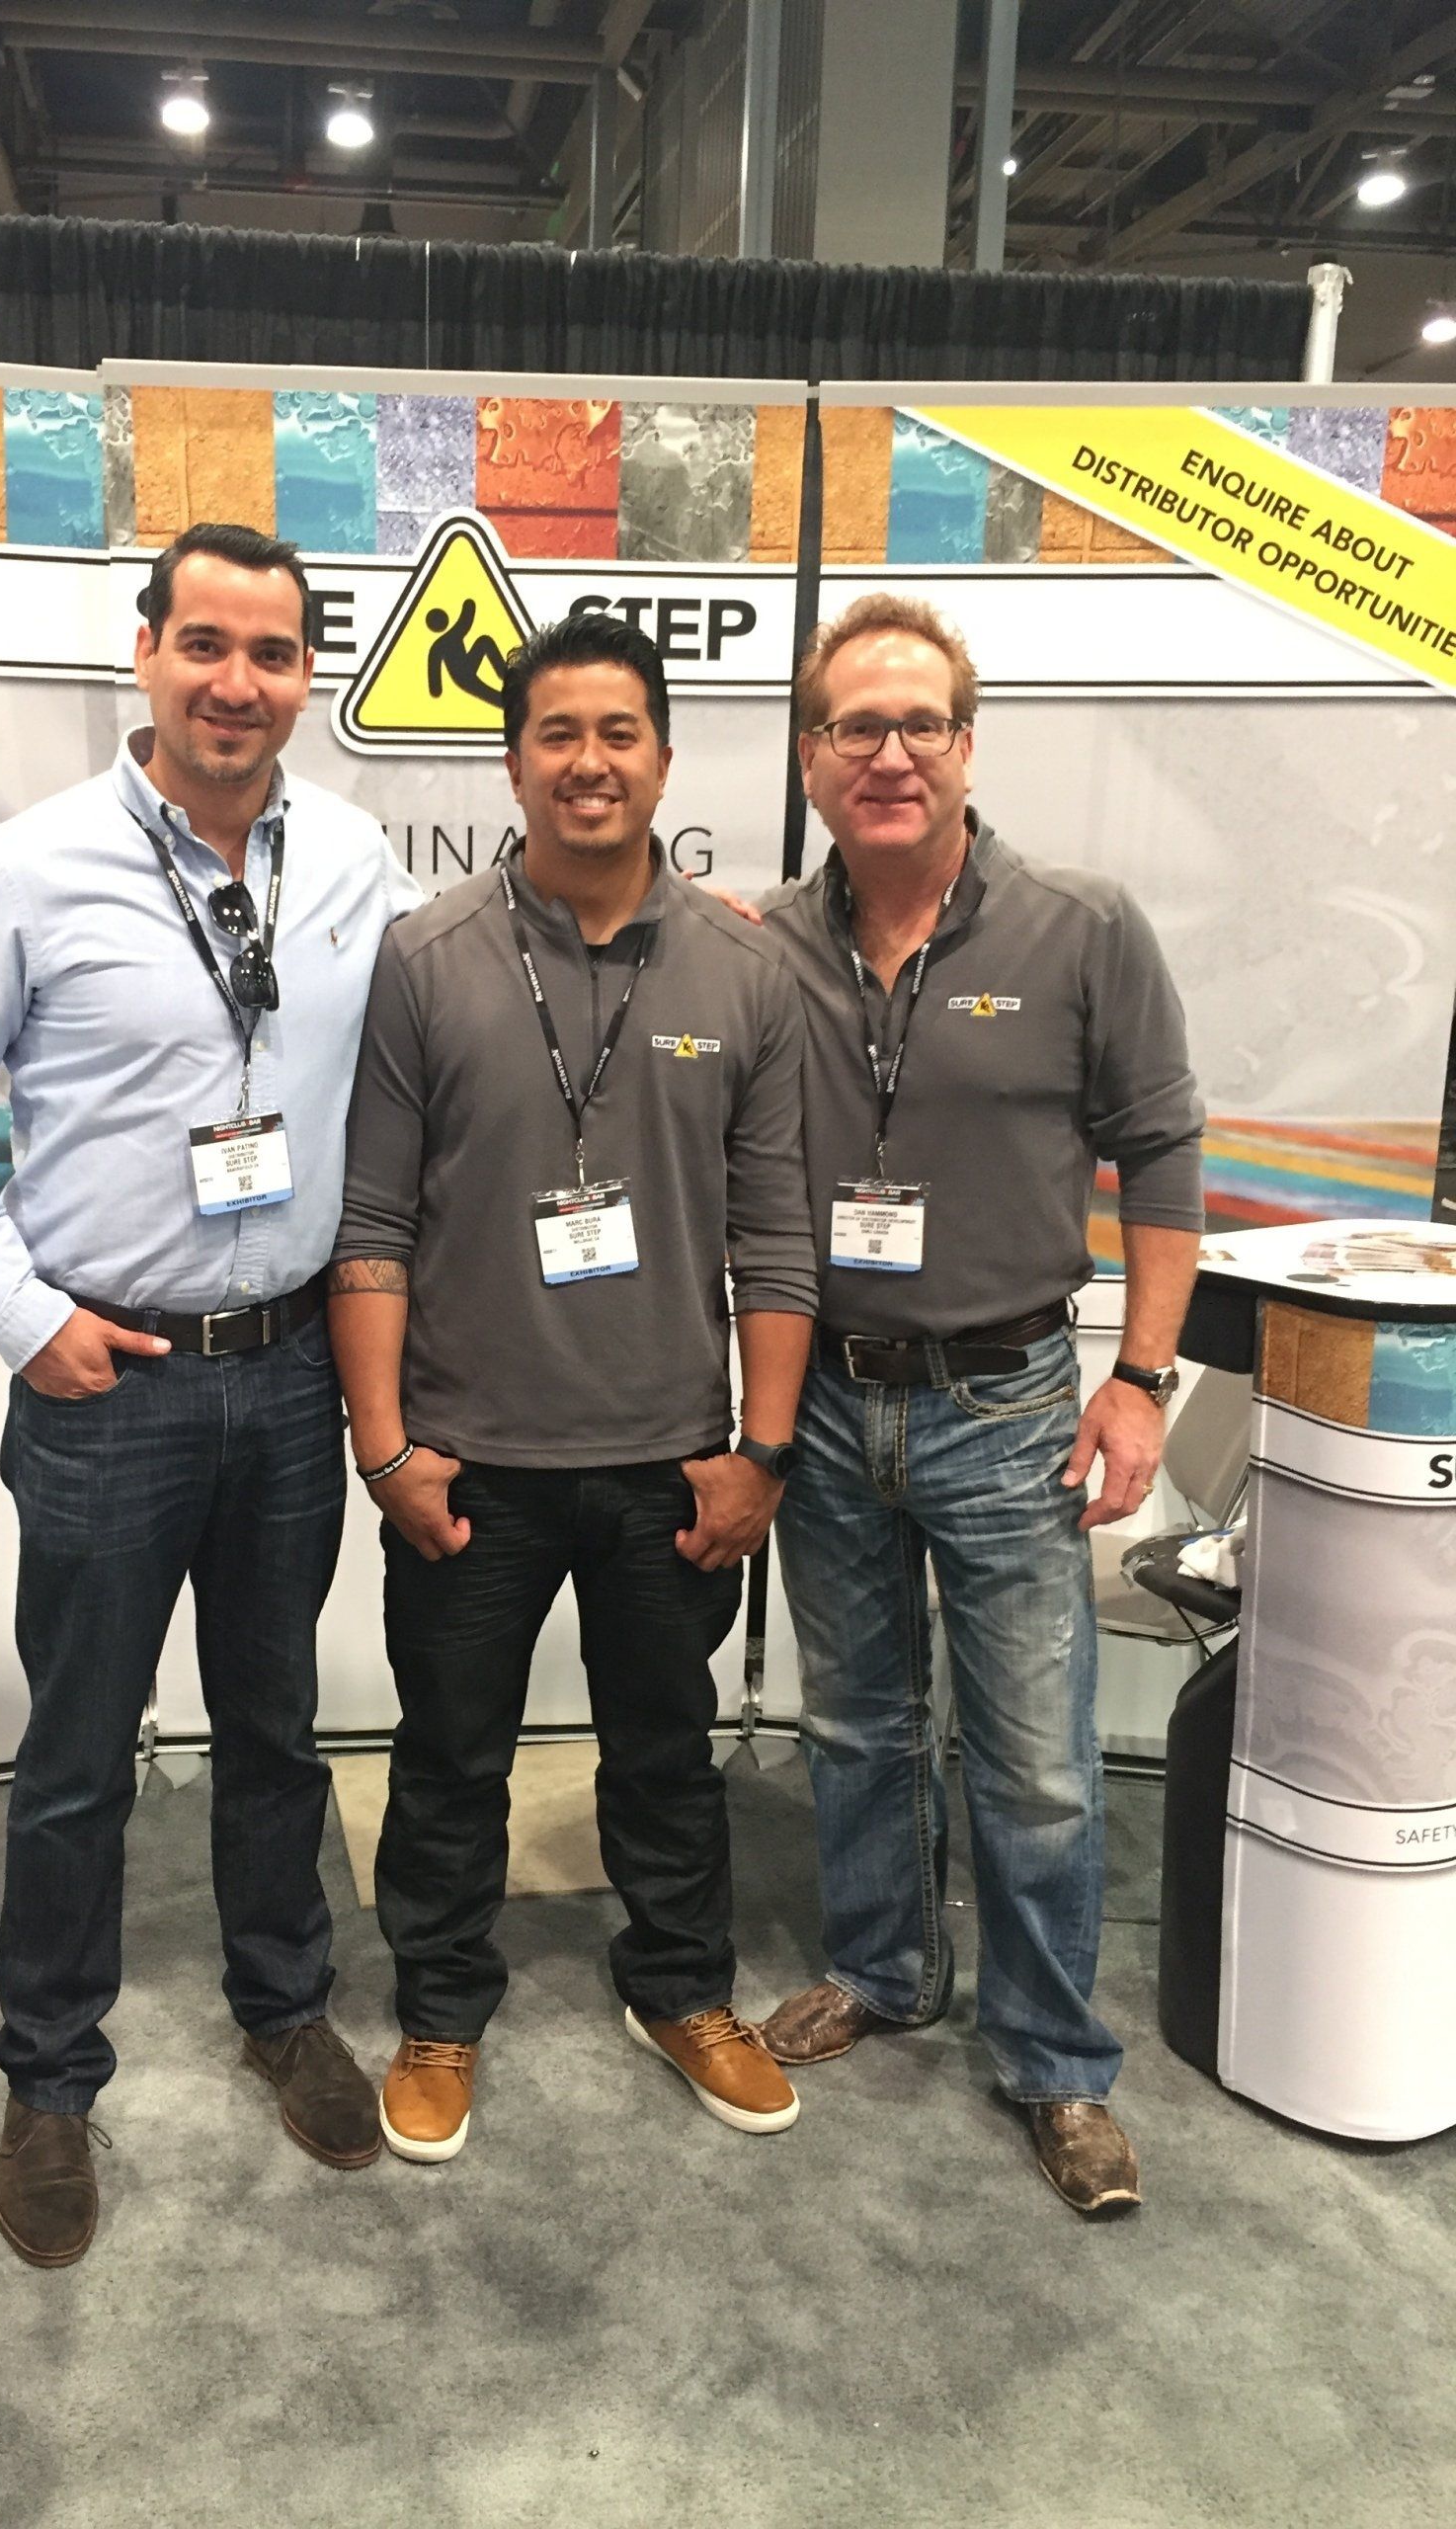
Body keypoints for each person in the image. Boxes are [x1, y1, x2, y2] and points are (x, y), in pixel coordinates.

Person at [0, 522, 422, 2268]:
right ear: (148, 654)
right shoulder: (28, 869)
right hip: (108, 1379)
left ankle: (284, 2009)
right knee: (77, 1752)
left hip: (292, 1376)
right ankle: (48, 2079)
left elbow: (469, 1003)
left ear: (307, 676)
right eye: (206, 645)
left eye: (272, 652)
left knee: (275, 1727)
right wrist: (19, 1314)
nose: (236, 683)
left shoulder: (353, 858)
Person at [327, 612, 818, 2163]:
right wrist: (385, 1449)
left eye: (619, 733)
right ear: (514, 761)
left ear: (663, 759)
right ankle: (440, 2008)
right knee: (448, 1758)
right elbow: (371, 1224)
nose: (589, 762)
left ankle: (680, 1988)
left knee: (666, 1752)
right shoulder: (426, 959)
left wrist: (762, 1454)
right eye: (559, 734)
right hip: (467, 1461)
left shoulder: (746, 968)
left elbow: (778, 1235)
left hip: (672, 1462)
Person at [745, 592, 1204, 2216]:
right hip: (825, 1399)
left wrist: (1141, 1380)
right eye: (854, 728)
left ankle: (1056, 2062)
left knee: (1036, 1758)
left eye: (918, 725)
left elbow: (1162, 1154)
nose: (889, 755)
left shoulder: (1081, 927)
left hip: (1008, 1399)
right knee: (856, 1720)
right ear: (811, 759)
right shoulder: (763, 944)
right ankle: (882, 1969)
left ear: (964, 745)